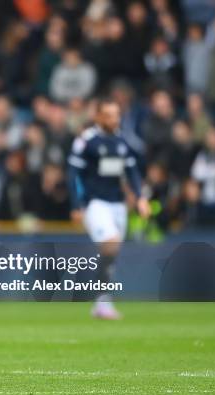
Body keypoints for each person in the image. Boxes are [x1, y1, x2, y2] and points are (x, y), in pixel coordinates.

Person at [67, 99, 151, 319]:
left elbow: (132, 171)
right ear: (99, 117)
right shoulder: (87, 141)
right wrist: (76, 204)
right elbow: (73, 173)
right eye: (110, 115)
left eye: (117, 114)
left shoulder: (122, 141)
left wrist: (140, 198)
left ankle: (101, 301)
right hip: (95, 203)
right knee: (111, 243)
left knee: (110, 253)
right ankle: (102, 301)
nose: (115, 119)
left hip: (118, 204)